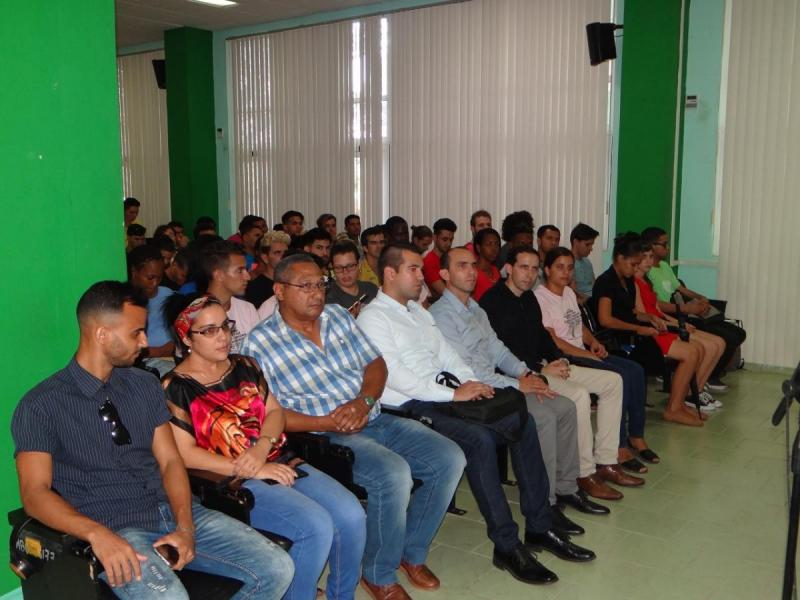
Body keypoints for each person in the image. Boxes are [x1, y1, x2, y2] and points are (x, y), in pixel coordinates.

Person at [12, 281, 293, 599]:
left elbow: (171, 460)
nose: (145, 342)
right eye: (136, 332)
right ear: (102, 334)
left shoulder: (143, 385)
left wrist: (185, 527)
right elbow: (34, 494)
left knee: (276, 567)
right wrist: (96, 534)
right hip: (114, 527)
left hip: (171, 511)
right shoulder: (42, 405)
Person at [358, 244, 596, 587]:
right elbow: (396, 377)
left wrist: (469, 382)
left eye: (420, 269)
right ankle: (506, 544)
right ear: (390, 273)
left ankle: (540, 526)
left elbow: (447, 355)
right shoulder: (374, 317)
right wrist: (455, 392)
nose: (420, 276)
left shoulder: (418, 312)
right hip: (409, 406)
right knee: (481, 440)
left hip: (444, 395)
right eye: (412, 269)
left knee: (520, 419)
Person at [242, 254, 465, 600]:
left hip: (371, 415)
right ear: (279, 291)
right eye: (305, 286)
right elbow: (267, 414)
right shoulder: (259, 344)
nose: (317, 293)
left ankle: (410, 552)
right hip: (319, 434)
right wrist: (327, 420)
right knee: (393, 474)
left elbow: (375, 364)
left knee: (449, 457)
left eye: (320, 284)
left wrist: (363, 402)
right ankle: (378, 573)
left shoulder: (335, 317)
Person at [163, 296, 365, 600]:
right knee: (315, 526)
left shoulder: (245, 365)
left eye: (225, 326)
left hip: (276, 458)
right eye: (208, 331)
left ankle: (342, 595)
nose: (222, 336)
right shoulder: (175, 387)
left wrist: (262, 448)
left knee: (351, 514)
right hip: (230, 479)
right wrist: (252, 466)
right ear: (185, 337)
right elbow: (185, 454)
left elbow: (274, 413)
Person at [430, 248, 609, 524]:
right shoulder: (441, 315)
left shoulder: (475, 309)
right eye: (461, 266)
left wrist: (527, 373)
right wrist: (517, 383)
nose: (471, 271)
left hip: (498, 383)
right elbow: (468, 372)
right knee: (545, 416)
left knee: (565, 406)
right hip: (475, 393)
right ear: (444, 274)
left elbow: (499, 351)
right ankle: (545, 502)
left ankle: (566, 488)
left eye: (473, 265)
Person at [481, 246, 642, 500]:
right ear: (509, 269)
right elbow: (500, 353)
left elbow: (543, 337)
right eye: (523, 267)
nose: (530, 274)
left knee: (613, 380)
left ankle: (606, 461)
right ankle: (584, 472)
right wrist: (541, 368)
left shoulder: (528, 298)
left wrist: (558, 360)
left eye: (534, 268)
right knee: (578, 395)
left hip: (547, 364)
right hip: (524, 375)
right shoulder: (492, 302)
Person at [536, 247, 659, 470]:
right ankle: (619, 447)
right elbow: (552, 340)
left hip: (582, 352)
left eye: (570, 268)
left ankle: (636, 436)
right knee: (619, 376)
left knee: (636, 370)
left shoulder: (569, 293)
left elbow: (578, 325)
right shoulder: (541, 298)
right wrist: (584, 353)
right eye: (559, 267)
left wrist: (593, 342)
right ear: (547, 270)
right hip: (565, 358)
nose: (566, 273)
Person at [593, 233, 706, 427]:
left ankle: (677, 404)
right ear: (620, 258)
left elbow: (634, 312)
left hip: (636, 332)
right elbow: (606, 320)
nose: (637, 268)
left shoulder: (627, 279)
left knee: (694, 350)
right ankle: (673, 408)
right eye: (633, 264)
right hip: (621, 339)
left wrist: (650, 318)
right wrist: (639, 327)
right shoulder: (606, 282)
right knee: (690, 353)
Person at [641, 226, 746, 391]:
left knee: (737, 332)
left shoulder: (665, 266)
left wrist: (701, 299)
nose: (668, 248)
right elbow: (655, 307)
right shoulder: (646, 274)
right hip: (673, 312)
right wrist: (686, 309)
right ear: (651, 246)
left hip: (679, 310)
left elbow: (682, 289)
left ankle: (705, 379)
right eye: (664, 244)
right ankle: (704, 380)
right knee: (723, 338)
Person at [635, 242, 726, 419]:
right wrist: (677, 325)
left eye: (650, 257)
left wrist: (678, 323)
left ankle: (695, 392)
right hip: (655, 330)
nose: (648, 261)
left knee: (719, 343)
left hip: (664, 324)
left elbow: (658, 311)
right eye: (644, 257)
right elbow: (645, 314)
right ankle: (685, 398)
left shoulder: (646, 282)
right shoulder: (634, 284)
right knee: (703, 347)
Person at [199, 240, 264, 352]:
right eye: (240, 270)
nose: (247, 277)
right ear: (219, 275)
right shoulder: (194, 314)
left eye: (246, 269)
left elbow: (260, 351)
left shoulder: (247, 309)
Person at [127, 244, 175, 376]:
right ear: (134, 272)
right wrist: (157, 351)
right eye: (150, 278)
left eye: (159, 278)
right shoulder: (124, 301)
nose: (155, 283)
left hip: (171, 361)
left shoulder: (168, 295)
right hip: (140, 365)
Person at [327, 241, 378, 316]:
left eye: (350, 266)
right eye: (339, 268)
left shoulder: (371, 288)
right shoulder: (329, 299)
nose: (345, 272)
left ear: (358, 265)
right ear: (332, 268)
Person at [246, 230, 290, 309]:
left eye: (286, 253)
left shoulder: (292, 283)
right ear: (265, 258)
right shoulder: (254, 288)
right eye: (277, 252)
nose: (283, 257)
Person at [422, 218, 457, 298]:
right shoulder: (429, 261)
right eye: (444, 239)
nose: (449, 244)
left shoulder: (451, 258)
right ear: (434, 237)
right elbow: (445, 292)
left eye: (451, 240)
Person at [570, 223, 600, 305]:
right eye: (587, 244)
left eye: (592, 244)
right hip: (576, 305)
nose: (591, 248)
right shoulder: (567, 262)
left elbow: (594, 286)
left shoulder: (587, 262)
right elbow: (573, 293)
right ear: (576, 242)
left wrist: (587, 296)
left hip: (590, 302)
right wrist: (589, 295)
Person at [471, 228, 502, 301]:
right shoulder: (472, 272)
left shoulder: (496, 270)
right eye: (489, 244)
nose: (494, 249)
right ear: (478, 248)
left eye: (497, 244)